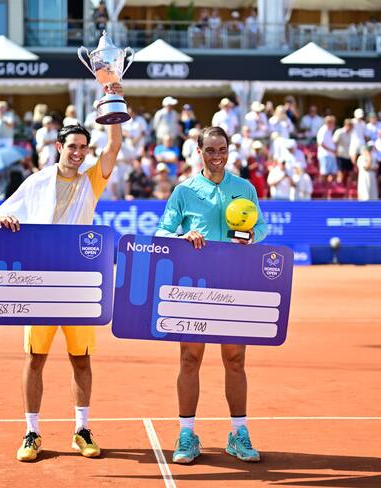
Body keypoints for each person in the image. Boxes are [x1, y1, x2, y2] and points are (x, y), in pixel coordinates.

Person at [0, 82, 124, 463]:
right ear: (59, 147)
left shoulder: (92, 181)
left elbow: (113, 146)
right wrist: (5, 219)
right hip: (39, 283)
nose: (79, 153)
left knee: (81, 360)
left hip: (81, 284)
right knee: (35, 358)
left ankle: (81, 429)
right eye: (73, 147)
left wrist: (112, 95)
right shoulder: (36, 182)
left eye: (83, 148)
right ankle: (31, 432)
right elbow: (0, 212)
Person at [155, 126, 268, 465]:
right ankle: (187, 433)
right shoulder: (184, 191)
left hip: (235, 282)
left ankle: (239, 432)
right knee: (190, 360)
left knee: (235, 360)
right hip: (194, 286)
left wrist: (252, 237)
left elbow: (261, 228)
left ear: (229, 150)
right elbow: (162, 231)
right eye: (210, 151)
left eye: (222, 150)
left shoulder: (244, 188)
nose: (217, 157)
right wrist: (182, 236)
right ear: (199, 151)